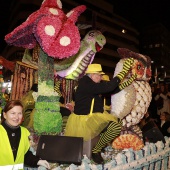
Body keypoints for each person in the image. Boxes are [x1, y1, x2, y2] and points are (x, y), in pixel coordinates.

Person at [64, 58, 137, 164]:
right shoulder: (86, 83)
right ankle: (96, 150)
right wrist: (123, 71)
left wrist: (129, 81)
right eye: (99, 75)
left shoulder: (90, 84)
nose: (101, 77)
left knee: (116, 125)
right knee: (115, 127)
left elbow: (112, 89)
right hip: (85, 120)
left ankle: (97, 148)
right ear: (92, 75)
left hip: (93, 117)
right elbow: (109, 87)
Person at [0, 100, 50, 169]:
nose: (16, 117)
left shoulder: (24, 132)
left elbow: (25, 155)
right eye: (13, 113)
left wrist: (38, 161)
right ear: (5, 115)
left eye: (19, 113)